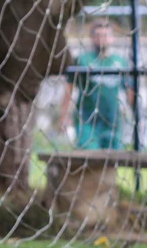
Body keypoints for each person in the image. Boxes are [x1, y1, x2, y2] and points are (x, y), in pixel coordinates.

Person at [57, 18, 135, 150]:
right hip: (87, 120)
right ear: (92, 38)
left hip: (112, 121)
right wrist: (63, 116)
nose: (101, 39)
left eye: (105, 35)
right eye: (98, 35)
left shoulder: (120, 62)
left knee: (113, 161)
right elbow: (68, 89)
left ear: (112, 38)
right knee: (89, 159)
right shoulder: (82, 60)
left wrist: (135, 116)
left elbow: (129, 92)